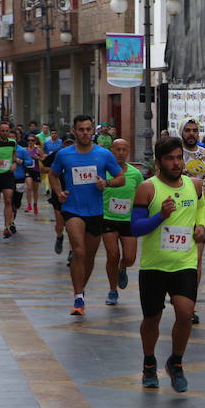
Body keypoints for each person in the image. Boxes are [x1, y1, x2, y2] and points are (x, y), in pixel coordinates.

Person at [130, 137, 205, 391]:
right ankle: (149, 363)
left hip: (184, 262)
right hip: (154, 266)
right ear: (159, 161)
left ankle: (176, 362)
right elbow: (136, 227)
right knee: (151, 319)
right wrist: (160, 216)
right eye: (170, 158)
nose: (176, 163)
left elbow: (201, 206)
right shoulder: (147, 189)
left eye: (178, 157)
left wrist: (200, 226)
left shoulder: (194, 185)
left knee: (185, 313)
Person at [49, 114, 125, 315]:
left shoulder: (104, 155)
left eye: (88, 129)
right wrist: (58, 192)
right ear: (74, 131)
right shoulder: (64, 154)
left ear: (93, 131)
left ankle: (81, 290)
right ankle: (77, 298)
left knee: (89, 256)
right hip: (72, 209)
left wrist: (106, 183)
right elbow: (53, 175)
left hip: (96, 211)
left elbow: (120, 178)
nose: (84, 133)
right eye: (80, 129)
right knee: (79, 251)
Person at [180, 117, 205, 324]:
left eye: (195, 130)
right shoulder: (173, 152)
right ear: (182, 132)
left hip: (199, 212)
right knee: (175, 257)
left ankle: (190, 305)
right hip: (175, 211)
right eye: (188, 130)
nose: (192, 134)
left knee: (196, 260)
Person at [102, 138, 144, 305]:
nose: (120, 153)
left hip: (128, 219)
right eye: (117, 149)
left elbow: (142, 196)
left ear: (128, 151)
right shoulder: (104, 171)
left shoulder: (135, 174)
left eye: (124, 150)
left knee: (130, 258)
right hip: (108, 218)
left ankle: (122, 267)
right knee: (113, 254)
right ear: (112, 150)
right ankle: (112, 290)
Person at [43, 138, 72, 259]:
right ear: (63, 144)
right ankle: (59, 236)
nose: (69, 146)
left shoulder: (79, 155)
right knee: (60, 223)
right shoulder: (57, 155)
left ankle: (72, 252)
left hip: (73, 194)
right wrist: (55, 170)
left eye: (71, 143)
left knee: (72, 225)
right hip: (58, 193)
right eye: (67, 143)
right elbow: (43, 168)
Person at [21, 133, 44, 214]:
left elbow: (43, 159)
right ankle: (29, 205)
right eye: (29, 140)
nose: (30, 142)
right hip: (28, 170)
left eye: (32, 140)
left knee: (35, 190)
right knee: (29, 187)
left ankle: (35, 205)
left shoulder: (38, 150)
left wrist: (37, 157)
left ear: (35, 141)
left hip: (36, 170)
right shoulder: (24, 150)